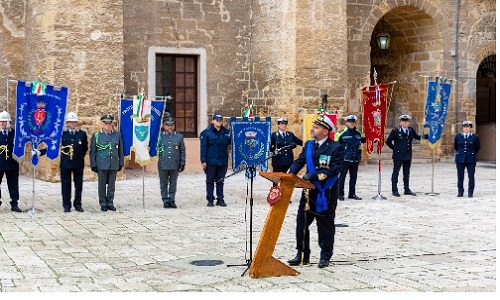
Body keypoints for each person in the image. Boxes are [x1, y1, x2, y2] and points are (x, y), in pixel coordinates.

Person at [287, 114, 344, 268]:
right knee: (301, 223)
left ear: (326, 131)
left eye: (317, 127)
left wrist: (314, 175)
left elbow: (335, 169)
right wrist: (288, 176)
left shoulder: (336, 147)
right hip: (308, 193)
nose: (313, 129)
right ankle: (302, 254)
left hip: (326, 192)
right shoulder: (309, 145)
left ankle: (325, 256)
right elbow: (299, 161)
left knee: (325, 225)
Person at [385, 114, 427, 197]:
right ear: (400, 122)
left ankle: (406, 189)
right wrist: (395, 148)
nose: (405, 123)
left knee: (406, 173)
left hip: (407, 155)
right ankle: (394, 190)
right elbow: (388, 141)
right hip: (398, 155)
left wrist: (427, 135)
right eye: (403, 121)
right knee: (396, 172)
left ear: (408, 122)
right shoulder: (396, 131)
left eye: (406, 121)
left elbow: (417, 137)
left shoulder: (410, 130)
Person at [90, 114, 124, 211]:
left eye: (110, 123)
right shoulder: (97, 136)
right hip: (101, 163)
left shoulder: (117, 135)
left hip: (113, 163)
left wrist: (121, 162)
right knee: (102, 185)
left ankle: (110, 202)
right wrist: (93, 164)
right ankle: (103, 203)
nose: (108, 125)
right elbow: (93, 151)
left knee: (111, 185)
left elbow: (120, 150)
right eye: (106, 123)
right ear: (102, 123)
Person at [200, 113, 231, 207]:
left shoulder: (226, 132)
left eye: (220, 120)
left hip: (222, 161)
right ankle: (210, 199)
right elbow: (203, 148)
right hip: (211, 161)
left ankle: (220, 198)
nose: (219, 122)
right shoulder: (207, 133)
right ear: (213, 121)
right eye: (217, 120)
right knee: (210, 181)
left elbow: (231, 144)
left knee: (220, 180)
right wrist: (203, 161)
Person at [60, 112, 88, 212]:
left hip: (78, 163)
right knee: (66, 185)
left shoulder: (82, 134)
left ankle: (78, 204)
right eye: (71, 122)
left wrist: (78, 157)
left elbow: (84, 148)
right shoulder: (63, 135)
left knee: (78, 185)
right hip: (66, 163)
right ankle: (67, 205)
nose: (73, 124)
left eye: (74, 122)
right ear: (67, 123)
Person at [157, 116, 186, 208]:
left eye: (171, 125)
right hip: (163, 163)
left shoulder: (179, 136)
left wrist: (182, 162)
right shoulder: (159, 136)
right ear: (163, 126)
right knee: (163, 183)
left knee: (173, 183)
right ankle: (165, 200)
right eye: (167, 125)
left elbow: (182, 150)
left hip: (175, 163)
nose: (170, 127)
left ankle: (172, 199)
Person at [337, 115, 365, 200]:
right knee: (342, 176)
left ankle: (352, 193)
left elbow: (360, 143)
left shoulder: (358, 133)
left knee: (353, 176)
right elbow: (337, 146)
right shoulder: (341, 133)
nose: (352, 123)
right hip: (345, 157)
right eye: (350, 122)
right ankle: (340, 194)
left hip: (355, 157)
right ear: (346, 123)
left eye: (353, 122)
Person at [0, 111, 23, 212]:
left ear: (9, 122)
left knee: (13, 184)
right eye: (1, 121)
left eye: (5, 121)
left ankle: (14, 203)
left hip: (12, 162)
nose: (2, 123)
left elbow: (18, 146)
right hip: (0, 162)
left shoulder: (14, 134)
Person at [269, 117, 303, 182]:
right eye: (282, 124)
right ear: (278, 125)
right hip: (278, 162)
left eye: (285, 124)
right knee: (277, 181)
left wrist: (308, 143)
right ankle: (277, 192)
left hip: (288, 162)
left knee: (287, 182)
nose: (284, 125)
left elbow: (300, 142)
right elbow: (269, 147)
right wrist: (274, 150)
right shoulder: (274, 135)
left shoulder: (290, 135)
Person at [454, 120, 480, 198]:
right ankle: (460, 191)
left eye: (468, 127)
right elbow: (456, 147)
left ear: (470, 128)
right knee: (460, 176)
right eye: (464, 127)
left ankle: (470, 192)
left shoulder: (475, 137)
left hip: (471, 158)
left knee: (471, 176)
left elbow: (477, 147)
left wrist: (471, 153)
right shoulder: (458, 137)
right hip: (460, 158)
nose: (466, 128)